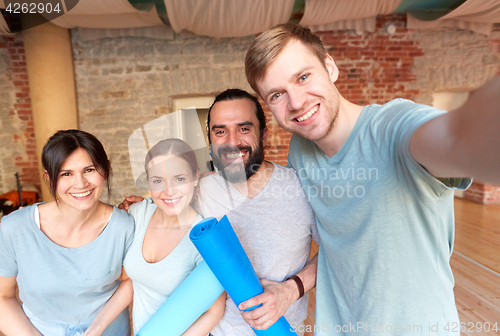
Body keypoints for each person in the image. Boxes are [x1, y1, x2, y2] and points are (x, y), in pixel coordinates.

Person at [245, 22, 500, 334]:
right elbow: (337, 246)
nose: (296, 102)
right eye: (276, 94)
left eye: (303, 77)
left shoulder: (392, 129)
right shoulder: (301, 151)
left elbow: (455, 139)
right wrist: (290, 289)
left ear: (330, 67)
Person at [121, 89, 320, 336]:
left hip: (282, 331)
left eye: (244, 128)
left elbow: (337, 254)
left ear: (265, 135)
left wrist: (291, 290)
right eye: (220, 131)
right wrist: (140, 207)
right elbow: (166, 199)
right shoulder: (199, 190)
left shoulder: (302, 188)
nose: (232, 141)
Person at [0, 129, 134, 336]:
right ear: (49, 177)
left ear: (106, 170)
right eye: (66, 174)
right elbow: (3, 297)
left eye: (89, 170)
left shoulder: (124, 225)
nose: (80, 184)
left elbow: (130, 280)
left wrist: (96, 330)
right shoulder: (14, 228)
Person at [121, 138, 226, 336]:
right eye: (158, 181)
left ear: (195, 177)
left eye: (179, 179)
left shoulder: (203, 238)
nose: (169, 191)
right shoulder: (136, 214)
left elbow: (214, 312)